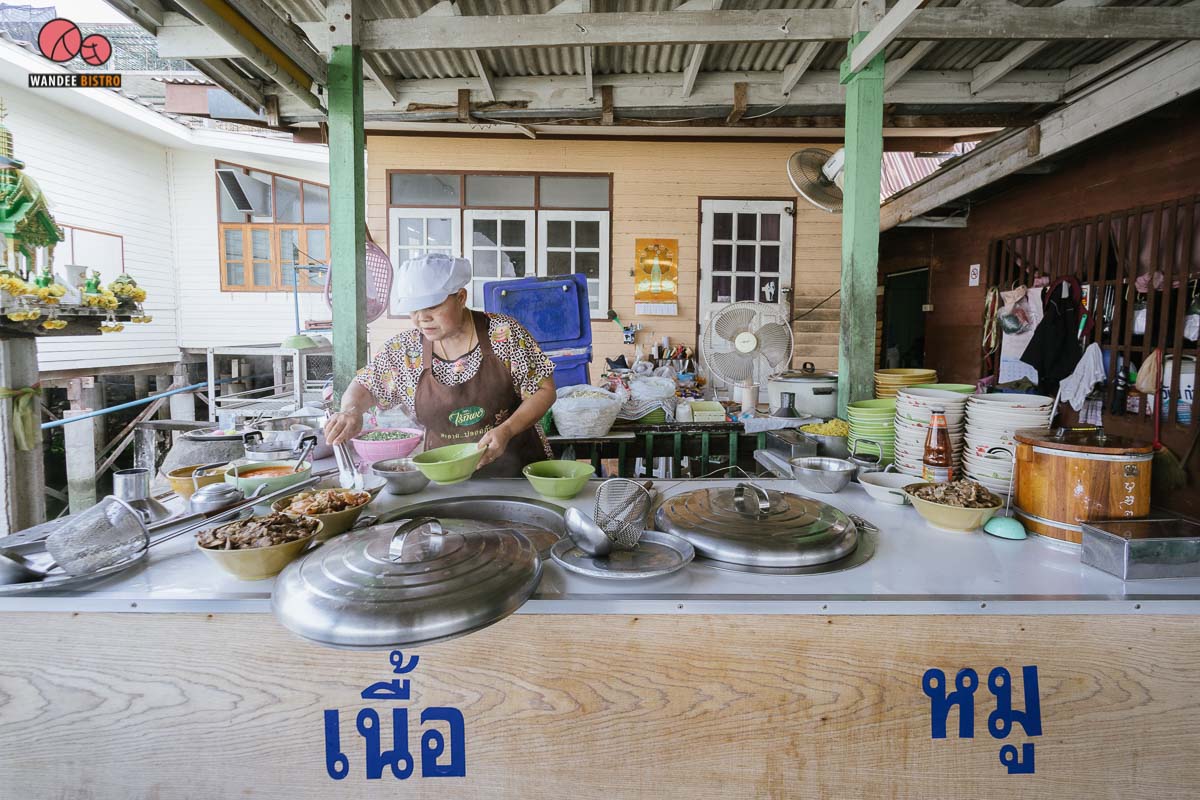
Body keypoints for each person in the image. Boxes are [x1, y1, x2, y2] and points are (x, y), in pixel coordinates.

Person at [324, 253, 556, 478]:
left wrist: (507, 430)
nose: (422, 318)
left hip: (518, 475)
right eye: (414, 309)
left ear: (461, 298)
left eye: (432, 306)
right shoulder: (404, 350)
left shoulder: (503, 334)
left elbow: (544, 391)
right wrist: (351, 411)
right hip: (445, 478)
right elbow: (365, 386)